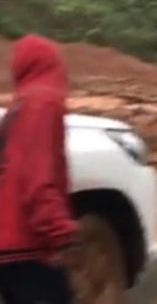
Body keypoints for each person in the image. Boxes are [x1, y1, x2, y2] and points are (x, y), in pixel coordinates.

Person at [0, 35, 80, 304]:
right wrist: (62, 232)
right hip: (27, 247)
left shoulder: (18, 107)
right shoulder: (43, 103)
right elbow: (37, 178)